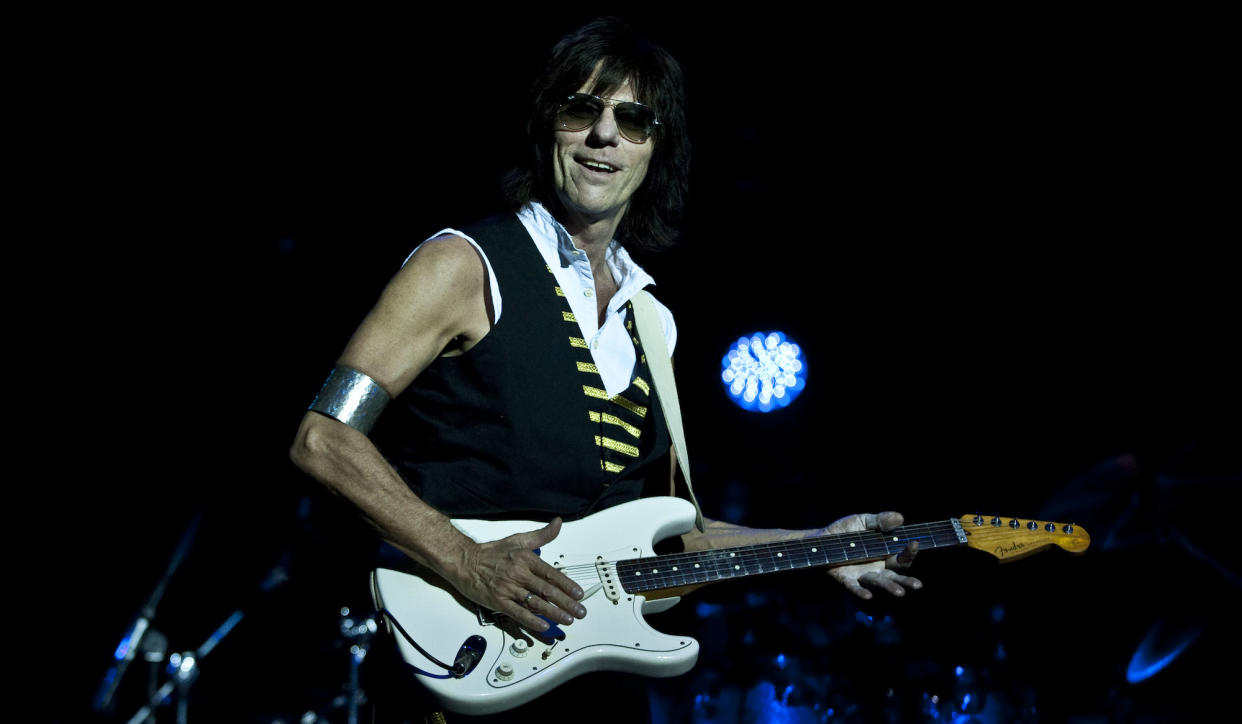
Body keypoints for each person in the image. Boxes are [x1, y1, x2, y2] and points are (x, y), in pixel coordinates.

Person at [290, 16, 920, 722]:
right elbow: (323, 438)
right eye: (581, 110)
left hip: (592, 686)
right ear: (546, 125)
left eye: (633, 119)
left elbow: (674, 536)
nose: (604, 136)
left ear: (658, 148)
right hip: (458, 668)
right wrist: (466, 560)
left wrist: (817, 546)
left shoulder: (652, 321)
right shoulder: (463, 264)